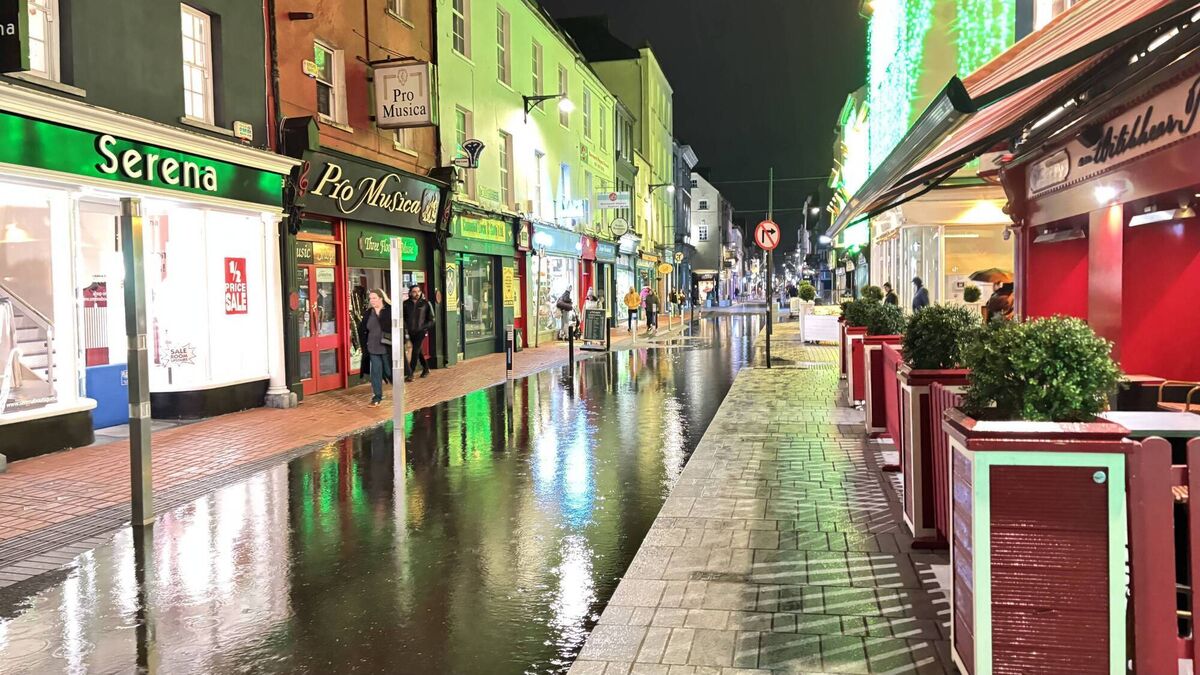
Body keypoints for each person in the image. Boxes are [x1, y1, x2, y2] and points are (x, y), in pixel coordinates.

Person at [358, 288, 392, 407]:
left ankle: (397, 386)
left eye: (374, 298)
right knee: (375, 372)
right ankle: (377, 397)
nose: (372, 301)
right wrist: (363, 344)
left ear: (381, 298)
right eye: (370, 298)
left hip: (387, 346)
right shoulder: (368, 313)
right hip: (372, 346)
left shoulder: (389, 310)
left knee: (388, 370)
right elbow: (362, 328)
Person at [402, 285, 435, 382]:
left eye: (418, 291)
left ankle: (410, 373)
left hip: (421, 332)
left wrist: (424, 327)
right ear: (410, 293)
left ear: (421, 292)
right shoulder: (405, 304)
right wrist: (405, 329)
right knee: (419, 351)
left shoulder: (426, 303)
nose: (416, 293)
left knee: (415, 351)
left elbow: (432, 319)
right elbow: (403, 318)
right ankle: (426, 368)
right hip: (410, 332)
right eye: (414, 291)